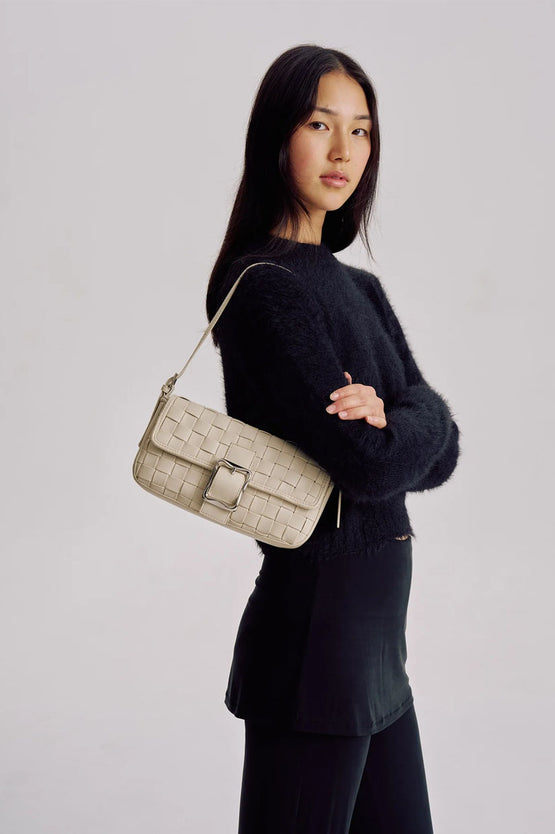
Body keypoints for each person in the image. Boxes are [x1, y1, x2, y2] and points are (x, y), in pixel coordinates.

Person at [205, 44, 461, 834]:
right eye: (320, 124)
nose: (344, 150)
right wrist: (411, 416)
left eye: (361, 130)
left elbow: (444, 451)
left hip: (376, 641)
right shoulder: (263, 285)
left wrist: (406, 415)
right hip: (317, 635)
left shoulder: (360, 288)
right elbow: (367, 462)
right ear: (277, 134)